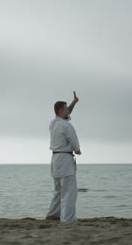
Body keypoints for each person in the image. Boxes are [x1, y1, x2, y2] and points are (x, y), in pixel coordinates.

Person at [45, 91, 82, 223]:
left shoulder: (53, 123)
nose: (68, 111)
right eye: (66, 109)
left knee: (58, 190)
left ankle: (53, 215)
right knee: (69, 191)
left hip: (55, 160)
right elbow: (73, 141)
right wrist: (78, 150)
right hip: (65, 159)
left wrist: (74, 102)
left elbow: (66, 114)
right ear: (61, 110)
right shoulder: (66, 125)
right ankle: (67, 219)